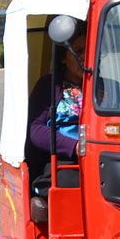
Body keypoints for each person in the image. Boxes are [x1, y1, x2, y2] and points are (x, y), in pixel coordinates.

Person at [27, 24, 86, 201]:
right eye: (78, 50)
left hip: (103, 159)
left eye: (89, 49)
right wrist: (74, 147)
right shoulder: (50, 86)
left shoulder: (108, 86)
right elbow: (35, 130)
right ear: (63, 58)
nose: (84, 57)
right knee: (76, 183)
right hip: (62, 164)